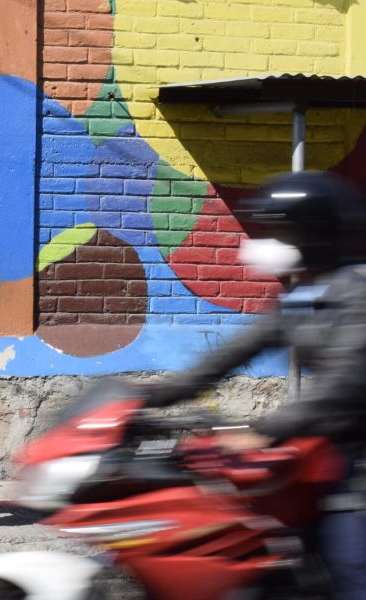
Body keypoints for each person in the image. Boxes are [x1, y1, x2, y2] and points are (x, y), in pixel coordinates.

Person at [145, 171, 366, 599]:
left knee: (349, 563)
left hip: (357, 465)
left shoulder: (355, 297)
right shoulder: (304, 297)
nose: (267, 243)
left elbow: (344, 384)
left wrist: (264, 430)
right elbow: (235, 351)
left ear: (314, 235)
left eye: (281, 232)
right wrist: (154, 395)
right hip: (325, 448)